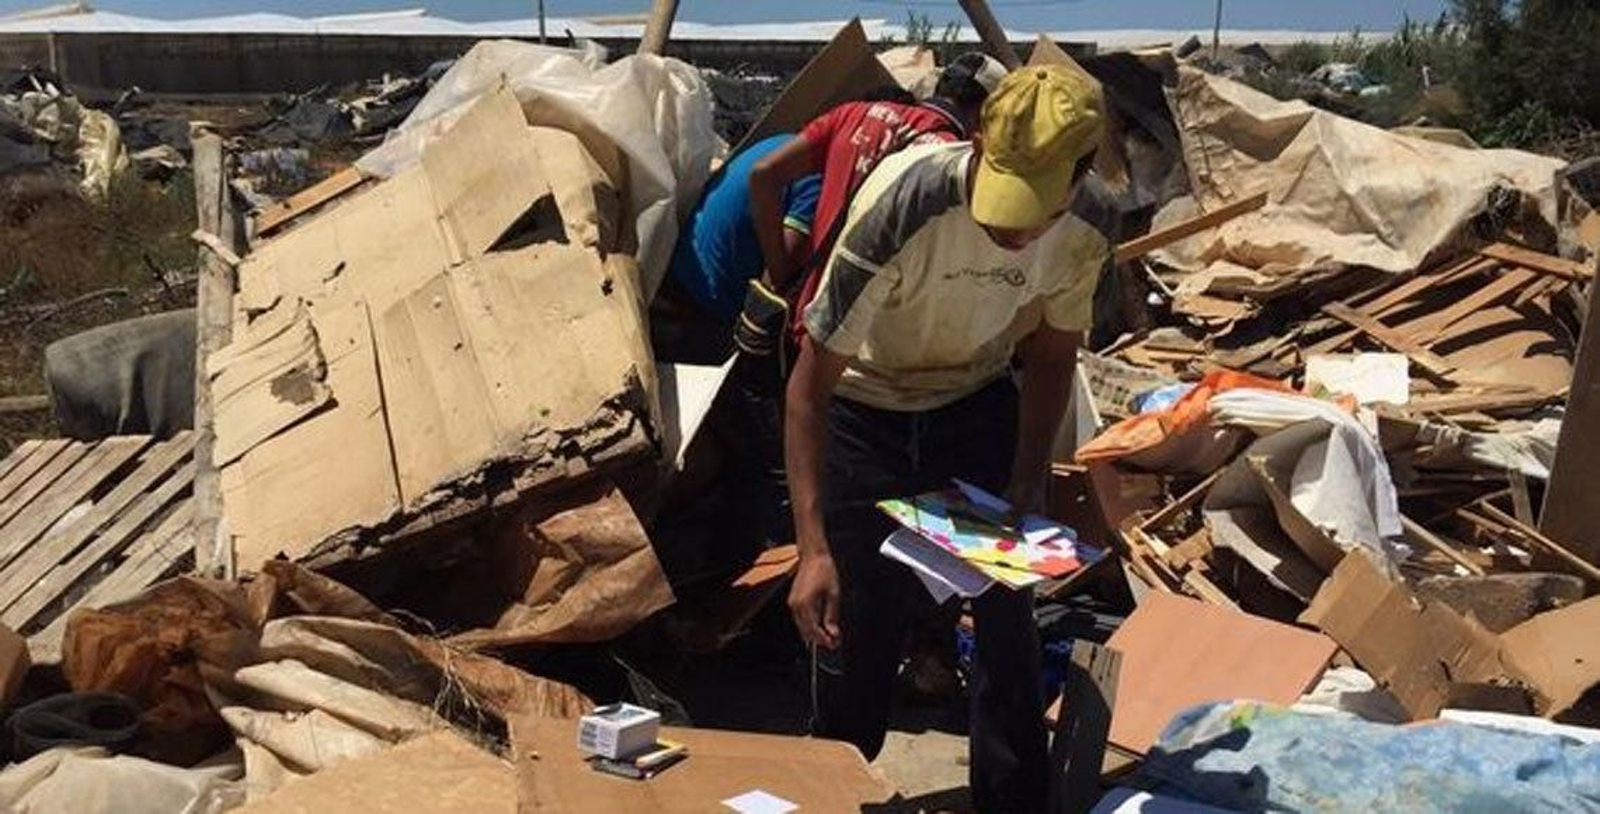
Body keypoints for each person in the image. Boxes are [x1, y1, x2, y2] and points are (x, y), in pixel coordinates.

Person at [784, 65, 1114, 812]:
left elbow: (1052, 356)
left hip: (972, 402)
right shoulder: (909, 201)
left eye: (1033, 211)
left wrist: (1028, 480)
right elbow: (809, 385)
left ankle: (1013, 800)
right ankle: (832, 789)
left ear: (1080, 175)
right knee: (854, 629)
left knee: (1006, 616)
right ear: (979, 144)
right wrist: (812, 548)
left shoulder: (1091, 225)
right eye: (1002, 202)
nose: (1011, 233)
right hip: (863, 407)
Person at [738, 51, 1007, 363]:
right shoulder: (951, 161)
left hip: (809, 320)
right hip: (871, 351)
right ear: (989, 115)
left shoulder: (852, 114)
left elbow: (763, 175)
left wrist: (781, 273)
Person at [655, 133, 821, 546]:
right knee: (771, 450)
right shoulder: (818, 178)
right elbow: (780, 278)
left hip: (675, 285)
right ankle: (770, 552)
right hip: (703, 315)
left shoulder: (786, 143)